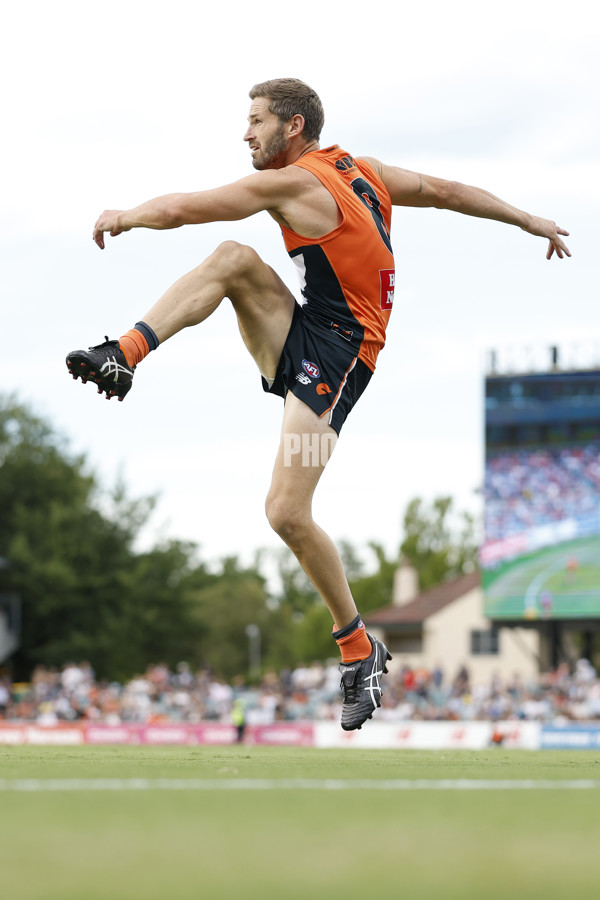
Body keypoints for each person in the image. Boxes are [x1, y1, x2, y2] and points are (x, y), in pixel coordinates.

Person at [66, 78, 571, 731]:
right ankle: (125, 352)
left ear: (294, 125)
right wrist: (527, 219)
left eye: (255, 121)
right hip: (308, 329)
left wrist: (125, 215)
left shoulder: (296, 184)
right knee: (233, 259)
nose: (245, 134)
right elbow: (448, 193)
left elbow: (190, 207)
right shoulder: (365, 171)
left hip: (337, 365)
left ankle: (360, 650)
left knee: (286, 512)